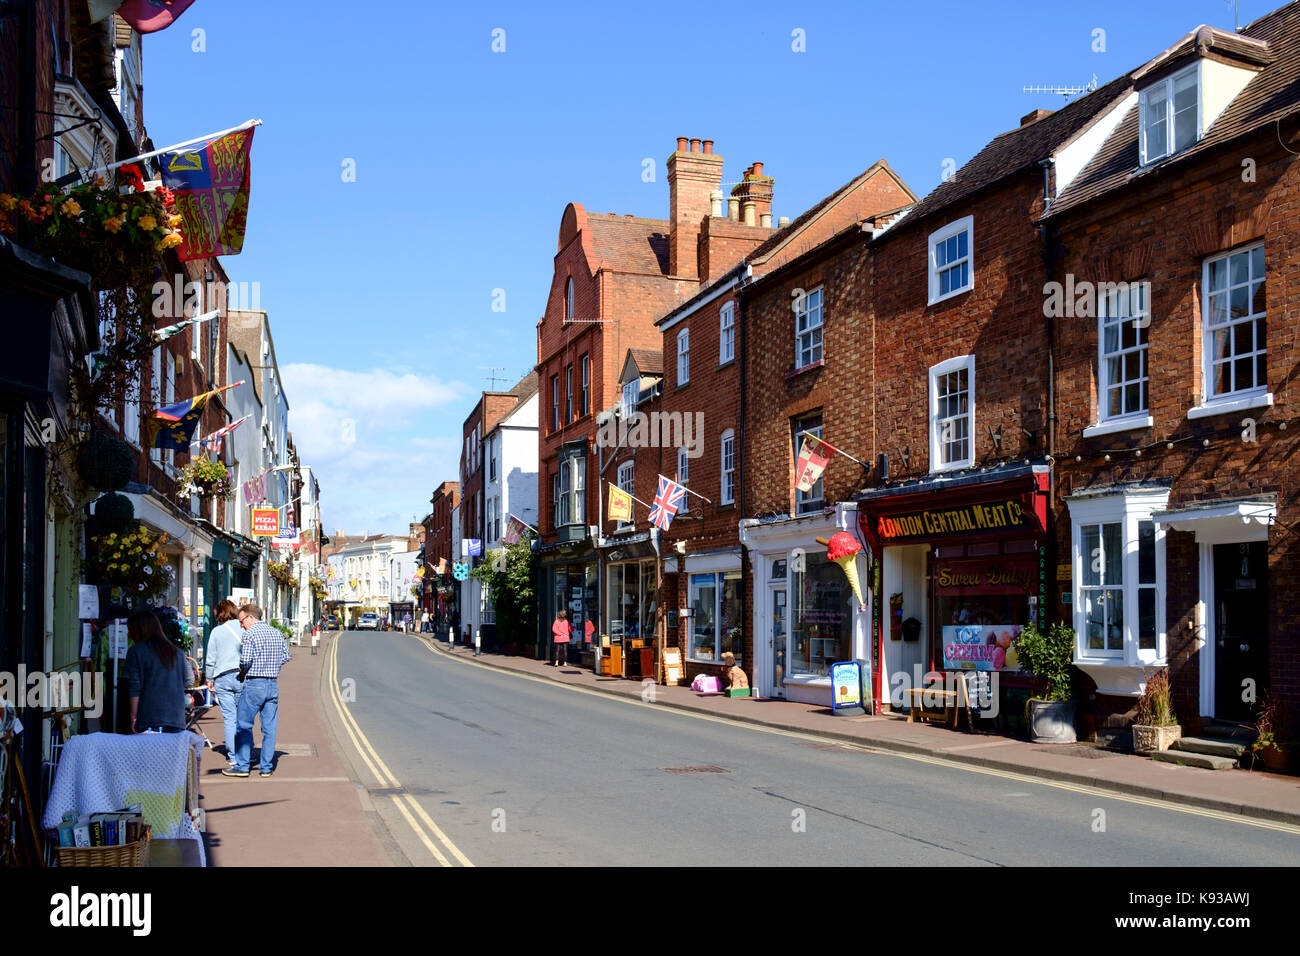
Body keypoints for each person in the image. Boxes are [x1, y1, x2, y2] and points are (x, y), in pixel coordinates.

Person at [223, 604, 291, 778]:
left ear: (251, 617)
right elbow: (286, 656)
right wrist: (272, 666)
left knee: (244, 725)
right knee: (269, 728)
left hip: (255, 683)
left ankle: (243, 766)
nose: (241, 625)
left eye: (242, 621)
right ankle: (266, 767)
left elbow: (245, 661)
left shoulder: (250, 634)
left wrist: (242, 672)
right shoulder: (276, 632)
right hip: (272, 684)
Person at [124, 609, 189, 734]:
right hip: (176, 716)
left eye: (130, 629)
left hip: (149, 716)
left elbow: (134, 687)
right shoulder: (177, 652)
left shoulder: (136, 651)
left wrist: (133, 717)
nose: (128, 634)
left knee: (149, 753)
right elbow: (188, 679)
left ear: (138, 630)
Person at [205, 599, 244, 764]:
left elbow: (210, 658)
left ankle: (232, 757)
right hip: (242, 676)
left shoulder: (216, 632)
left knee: (229, 718)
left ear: (220, 614)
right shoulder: (244, 628)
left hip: (222, 678)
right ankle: (243, 753)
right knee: (243, 717)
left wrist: (209, 679)